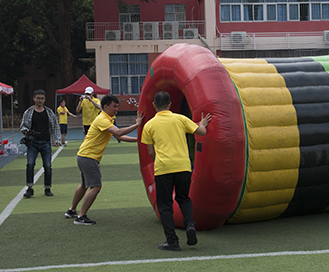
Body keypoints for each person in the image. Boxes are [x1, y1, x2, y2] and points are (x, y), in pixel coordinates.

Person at [141, 91, 211, 251]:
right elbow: (201, 132)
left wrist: (159, 161)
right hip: (183, 166)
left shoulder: (149, 125)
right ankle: (190, 224)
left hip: (163, 168)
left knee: (165, 205)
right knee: (184, 198)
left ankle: (172, 241)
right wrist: (203, 123)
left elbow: (151, 152)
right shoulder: (180, 119)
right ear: (170, 104)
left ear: (154, 105)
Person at [65, 95, 142, 225]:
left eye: (118, 106)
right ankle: (81, 216)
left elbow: (120, 137)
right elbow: (118, 133)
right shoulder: (102, 119)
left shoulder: (107, 119)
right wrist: (137, 125)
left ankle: (72, 210)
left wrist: (138, 141)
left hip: (84, 155)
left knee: (84, 184)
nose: (116, 109)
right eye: (114, 106)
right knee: (96, 186)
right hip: (89, 157)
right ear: (105, 107)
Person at [20, 89, 61, 198]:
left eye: (42, 98)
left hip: (46, 142)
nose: (40, 100)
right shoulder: (28, 112)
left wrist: (57, 139)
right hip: (32, 143)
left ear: (44, 99)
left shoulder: (49, 112)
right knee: (30, 164)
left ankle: (47, 188)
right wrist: (25, 131)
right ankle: (30, 188)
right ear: (34, 99)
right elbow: (23, 125)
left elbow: (55, 126)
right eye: (38, 98)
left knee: (47, 166)